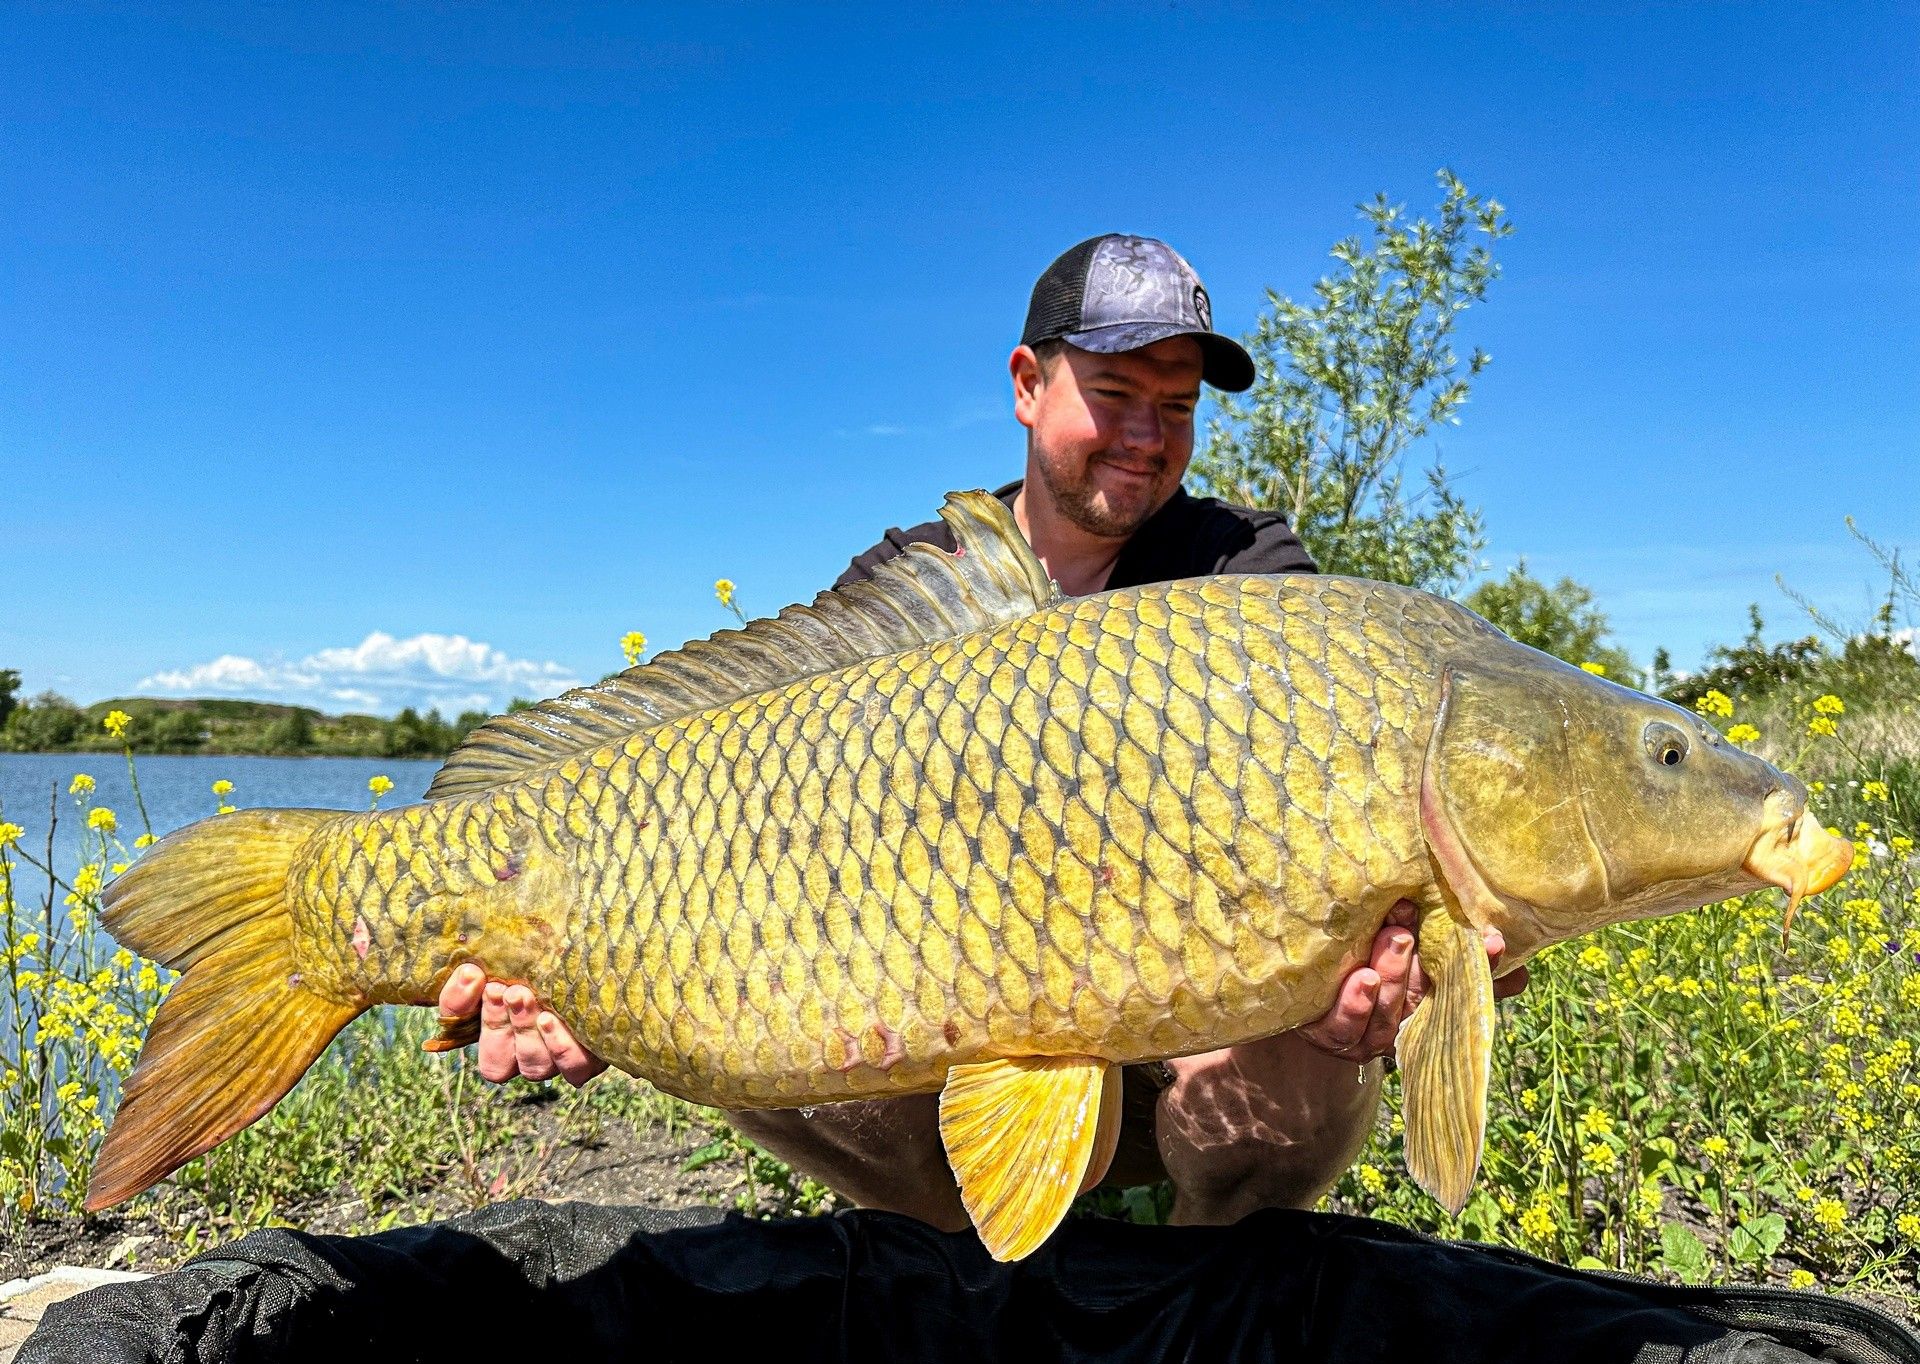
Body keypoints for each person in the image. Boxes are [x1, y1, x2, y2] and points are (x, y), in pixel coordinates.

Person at [436, 234, 1525, 1229]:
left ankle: (1198, 1297)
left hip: (1190, 1061)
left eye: (1180, 407)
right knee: (755, 1005)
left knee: (1309, 1045)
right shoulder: (914, 587)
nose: (1148, 439)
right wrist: (594, 978)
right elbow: (742, 842)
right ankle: (965, 1260)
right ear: (1026, 384)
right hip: (946, 1047)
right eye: (1113, 394)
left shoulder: (1246, 576)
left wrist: (1409, 969)